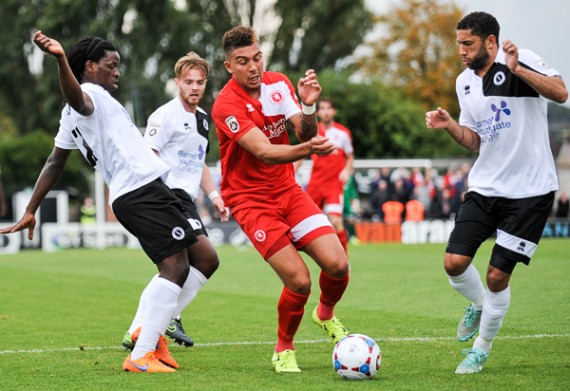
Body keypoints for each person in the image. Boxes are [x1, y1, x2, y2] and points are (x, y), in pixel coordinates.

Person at [0, 31, 207, 373]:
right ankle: (141, 353)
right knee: (175, 268)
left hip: (139, 191)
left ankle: (150, 335)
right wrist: (61, 59)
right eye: (111, 65)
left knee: (202, 258)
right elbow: (78, 99)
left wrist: (30, 209)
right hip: (140, 190)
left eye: (119, 66)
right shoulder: (88, 96)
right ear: (90, 66)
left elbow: (55, 163)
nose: (117, 72)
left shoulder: (72, 116)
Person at [425, 11, 568, 374]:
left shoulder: (521, 59)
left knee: (496, 276)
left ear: (490, 41)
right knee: (453, 263)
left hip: (531, 191)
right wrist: (450, 126)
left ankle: (481, 348)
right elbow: (475, 141)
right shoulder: (463, 83)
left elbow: (561, 93)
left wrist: (519, 69)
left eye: (468, 43)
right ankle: (478, 305)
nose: (461, 50)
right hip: (486, 185)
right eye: (458, 43)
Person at [212, 26, 350, 373]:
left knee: (338, 264)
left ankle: (325, 315)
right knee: (300, 280)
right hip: (250, 201)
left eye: (257, 58)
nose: (254, 67)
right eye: (243, 62)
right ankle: (284, 348)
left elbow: (306, 132)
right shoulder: (225, 104)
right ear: (229, 66)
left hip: (287, 192)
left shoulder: (278, 82)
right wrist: (308, 148)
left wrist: (307, 104)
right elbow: (265, 151)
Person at [121, 51, 230, 350]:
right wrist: (156, 199)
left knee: (191, 264)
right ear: (177, 83)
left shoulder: (205, 121)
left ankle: (146, 327)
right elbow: (148, 158)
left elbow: (199, 163)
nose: (194, 87)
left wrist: (214, 195)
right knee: (202, 259)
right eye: (188, 82)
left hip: (187, 199)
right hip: (167, 196)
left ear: (205, 83)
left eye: (199, 82)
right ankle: (159, 322)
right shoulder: (164, 115)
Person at [305, 98, 354, 253]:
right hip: (315, 183)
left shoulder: (343, 133)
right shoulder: (312, 132)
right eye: (322, 108)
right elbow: (300, 154)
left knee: (335, 220)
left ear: (334, 111)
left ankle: (343, 260)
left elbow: (350, 156)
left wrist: (347, 170)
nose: (326, 112)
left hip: (334, 185)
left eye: (328, 108)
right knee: (306, 221)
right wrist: (291, 171)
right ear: (318, 112)